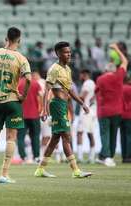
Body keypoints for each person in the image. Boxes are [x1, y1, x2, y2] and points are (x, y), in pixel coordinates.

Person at [0, 27, 32, 184]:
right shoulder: (21, 58)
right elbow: (29, 79)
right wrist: (23, 96)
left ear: (6, 39)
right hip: (12, 101)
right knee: (11, 138)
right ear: (19, 40)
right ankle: (4, 175)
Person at [34, 41, 92, 178]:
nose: (69, 54)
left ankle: (40, 169)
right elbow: (47, 88)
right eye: (66, 52)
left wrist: (82, 103)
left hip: (63, 104)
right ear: (58, 53)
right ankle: (75, 170)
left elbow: (70, 90)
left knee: (55, 139)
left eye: (69, 52)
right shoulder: (54, 69)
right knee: (66, 136)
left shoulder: (67, 69)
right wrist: (44, 109)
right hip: (57, 104)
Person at [95, 43, 128, 167]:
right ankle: (108, 156)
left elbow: (97, 93)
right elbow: (125, 61)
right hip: (117, 111)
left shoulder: (100, 79)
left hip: (104, 111)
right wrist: (117, 49)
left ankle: (106, 157)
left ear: (105, 70)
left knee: (104, 134)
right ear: (115, 70)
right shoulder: (119, 76)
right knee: (113, 134)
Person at [16, 71, 42, 163]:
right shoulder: (35, 83)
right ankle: (36, 157)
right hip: (34, 114)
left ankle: (23, 157)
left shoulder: (17, 83)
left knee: (20, 137)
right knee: (35, 136)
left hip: (21, 114)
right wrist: (41, 110)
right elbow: (40, 97)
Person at [76, 69, 96, 164]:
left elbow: (82, 97)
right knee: (90, 133)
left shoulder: (87, 83)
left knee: (80, 133)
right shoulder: (92, 83)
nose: (80, 77)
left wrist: (73, 96)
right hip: (92, 110)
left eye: (80, 75)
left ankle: (79, 157)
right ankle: (91, 157)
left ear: (84, 74)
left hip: (85, 111)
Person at [121, 76, 131, 163]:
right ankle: (128, 156)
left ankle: (124, 156)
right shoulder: (130, 88)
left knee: (122, 136)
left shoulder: (119, 88)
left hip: (120, 115)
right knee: (129, 136)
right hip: (129, 114)